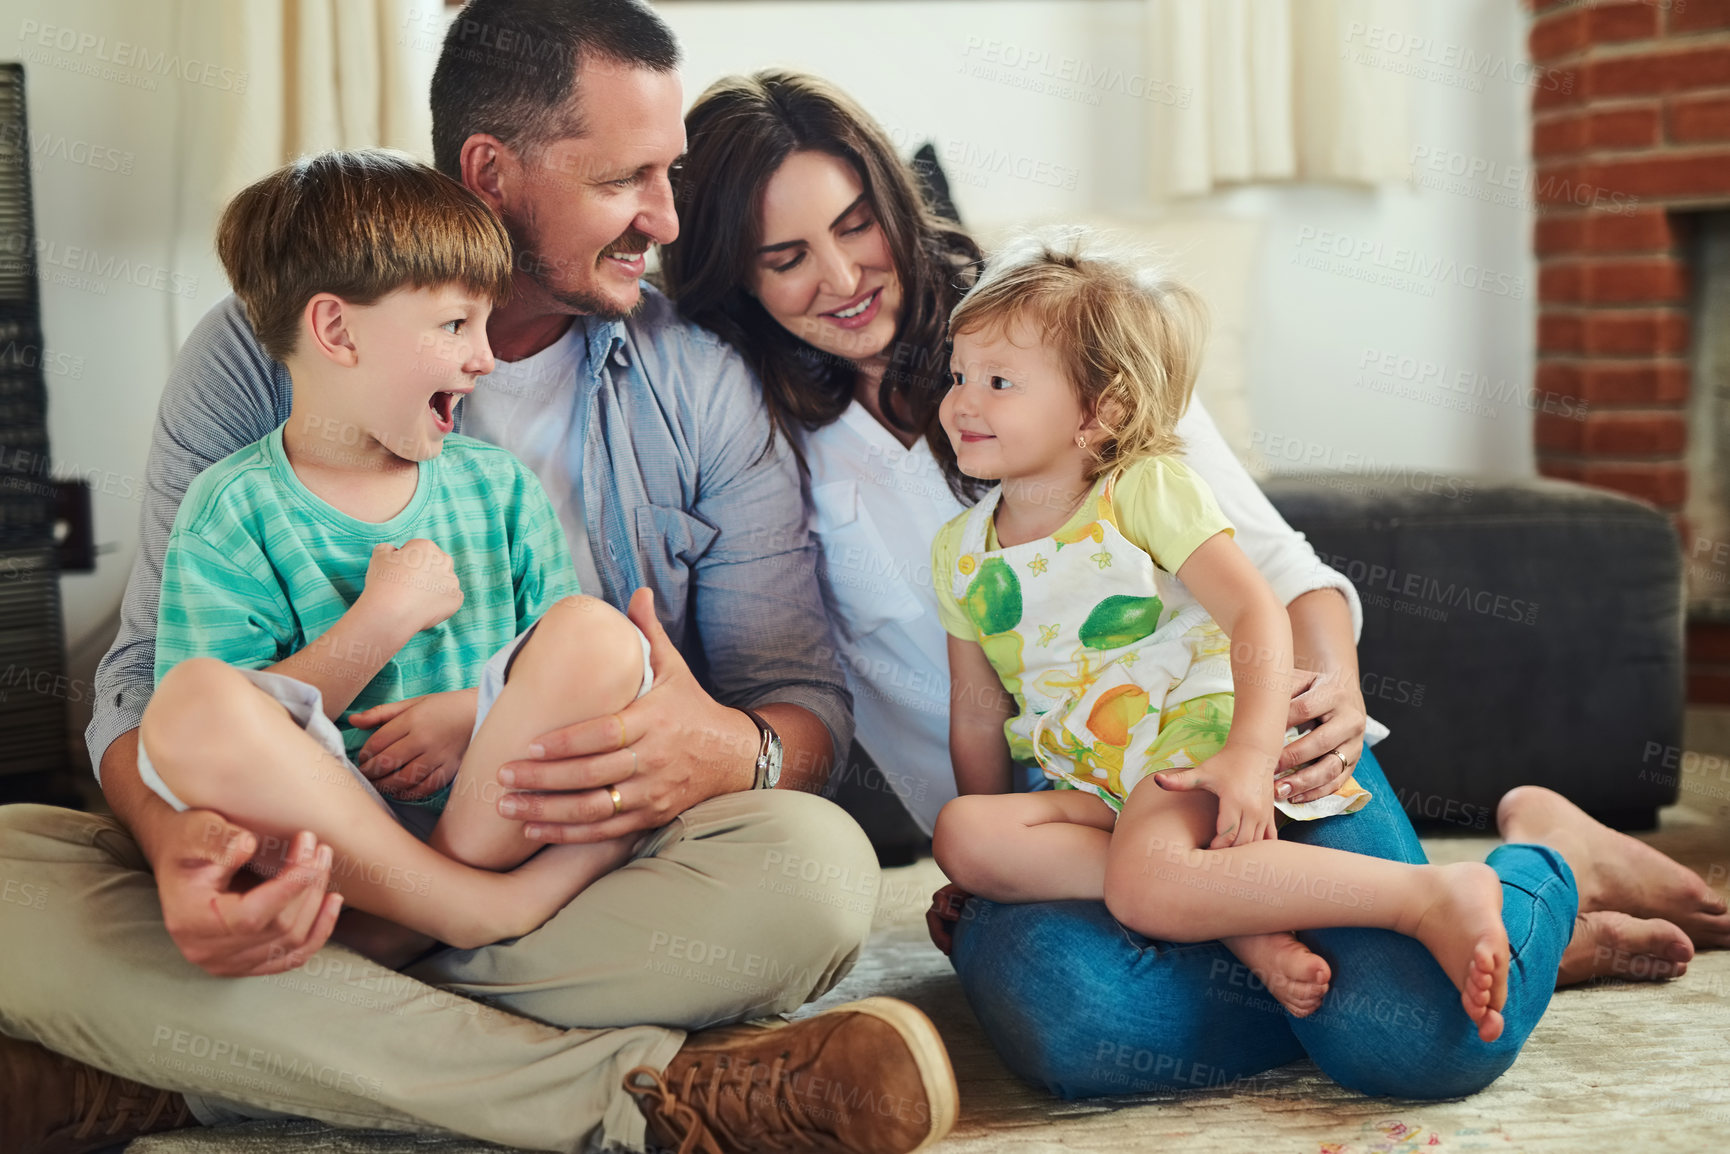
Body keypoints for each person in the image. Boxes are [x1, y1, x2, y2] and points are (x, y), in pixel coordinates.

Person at [658, 67, 1730, 1099]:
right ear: (733, 279)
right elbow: (885, 701)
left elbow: (1276, 578)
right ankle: (1440, 941)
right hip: (1055, 829)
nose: (843, 280)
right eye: (786, 256)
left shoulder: (1051, 314)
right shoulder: (753, 437)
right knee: (1083, 1020)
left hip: (1217, 750)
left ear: (893, 198)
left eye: (855, 225)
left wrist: (1322, 703)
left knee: (1425, 1041)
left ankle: (1536, 863)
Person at [0, 5, 958, 1154]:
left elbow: (802, 704)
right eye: (626, 180)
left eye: (671, 175)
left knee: (812, 873)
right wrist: (184, 865)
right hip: (302, 847)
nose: (666, 215)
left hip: (553, 851)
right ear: (491, 174)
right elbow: (152, 688)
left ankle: (194, 1056)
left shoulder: (695, 375)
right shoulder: (262, 355)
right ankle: (634, 1091)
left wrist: (727, 750)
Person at [929, 231, 1512, 1035]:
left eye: (999, 382)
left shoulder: (1143, 489)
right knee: (963, 835)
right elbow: (974, 709)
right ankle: (1237, 916)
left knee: (1142, 884)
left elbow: (1255, 610)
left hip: (1187, 741)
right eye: (958, 375)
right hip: (1094, 776)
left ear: (1101, 413)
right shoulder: (959, 552)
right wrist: (992, 849)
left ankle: (1429, 899)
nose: (963, 402)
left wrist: (1245, 750)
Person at [140, 149, 659, 957]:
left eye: (484, 324)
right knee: (185, 703)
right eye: (455, 324)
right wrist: (379, 623)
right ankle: (480, 913)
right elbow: (210, 749)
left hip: (494, 819)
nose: (485, 357)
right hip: (340, 854)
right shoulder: (230, 510)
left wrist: (469, 716)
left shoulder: (498, 489)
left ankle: (428, 915)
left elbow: (565, 670)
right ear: (337, 331)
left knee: (598, 632)